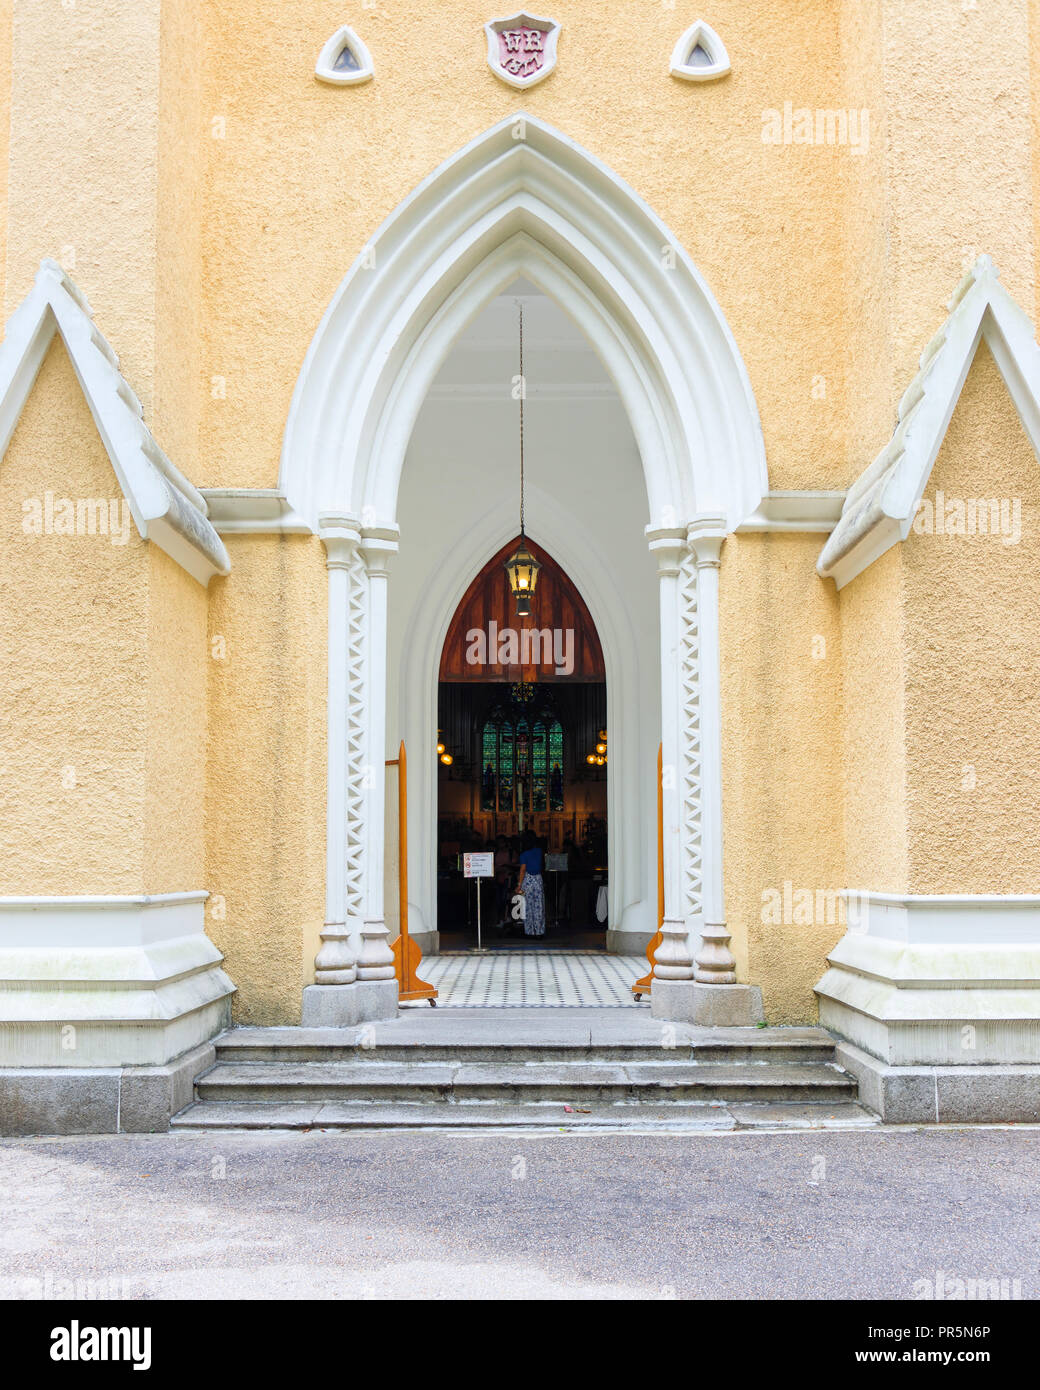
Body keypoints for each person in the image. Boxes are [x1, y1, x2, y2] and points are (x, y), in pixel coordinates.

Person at [516, 829, 546, 938]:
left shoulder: (524, 854)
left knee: (528, 906)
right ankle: (539, 931)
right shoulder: (539, 851)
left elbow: (522, 870)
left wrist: (519, 885)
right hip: (538, 879)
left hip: (528, 880)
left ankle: (529, 931)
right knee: (539, 906)